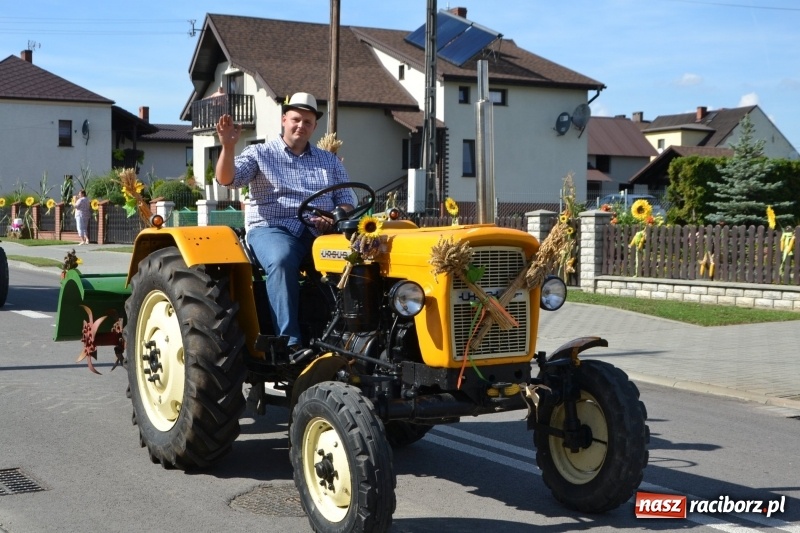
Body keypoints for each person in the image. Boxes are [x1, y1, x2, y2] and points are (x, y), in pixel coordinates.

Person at [215, 92, 355, 350]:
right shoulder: (260, 153)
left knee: (359, 260)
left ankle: (350, 337)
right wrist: (228, 146)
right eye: (296, 119)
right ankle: (289, 343)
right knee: (281, 259)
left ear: (314, 126)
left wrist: (333, 216)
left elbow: (347, 198)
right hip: (272, 229)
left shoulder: (329, 161)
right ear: (284, 120)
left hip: (319, 232)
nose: (301, 125)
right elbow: (228, 179)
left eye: (308, 121)